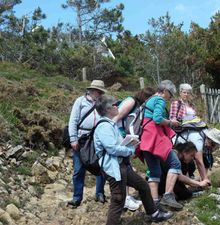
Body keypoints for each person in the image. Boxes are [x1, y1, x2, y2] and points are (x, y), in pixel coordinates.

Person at [94, 95, 173, 225]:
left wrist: (130, 143)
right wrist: (130, 150)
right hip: (114, 168)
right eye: (115, 104)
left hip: (120, 166)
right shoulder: (104, 126)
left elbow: (116, 145)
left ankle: (154, 213)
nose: (117, 106)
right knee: (118, 199)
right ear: (108, 109)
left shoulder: (110, 124)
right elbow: (112, 148)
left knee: (142, 186)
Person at [137, 80, 183, 210]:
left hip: (146, 138)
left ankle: (154, 205)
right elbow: (157, 118)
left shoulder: (149, 99)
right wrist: (171, 123)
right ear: (165, 91)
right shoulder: (160, 100)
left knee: (154, 171)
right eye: (171, 94)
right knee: (175, 163)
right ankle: (168, 196)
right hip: (155, 137)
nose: (171, 97)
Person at [113, 87, 155, 211]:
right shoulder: (131, 101)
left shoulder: (139, 105)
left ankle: (126, 196)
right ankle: (124, 199)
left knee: (126, 165)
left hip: (126, 137)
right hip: (120, 135)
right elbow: (116, 117)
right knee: (123, 167)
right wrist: (117, 136)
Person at [67, 80, 107, 208]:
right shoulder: (80, 101)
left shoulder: (102, 103)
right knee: (79, 168)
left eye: (101, 91)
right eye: (97, 91)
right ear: (91, 90)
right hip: (81, 138)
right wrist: (73, 139)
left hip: (98, 138)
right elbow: (73, 120)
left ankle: (100, 193)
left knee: (100, 167)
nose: (99, 93)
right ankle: (77, 197)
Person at [169, 83, 211, 186]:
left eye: (188, 93)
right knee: (183, 157)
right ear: (180, 92)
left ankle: (204, 181)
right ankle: (184, 183)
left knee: (198, 155)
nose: (186, 94)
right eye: (184, 92)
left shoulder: (192, 105)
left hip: (194, 132)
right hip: (182, 132)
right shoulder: (176, 103)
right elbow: (172, 118)